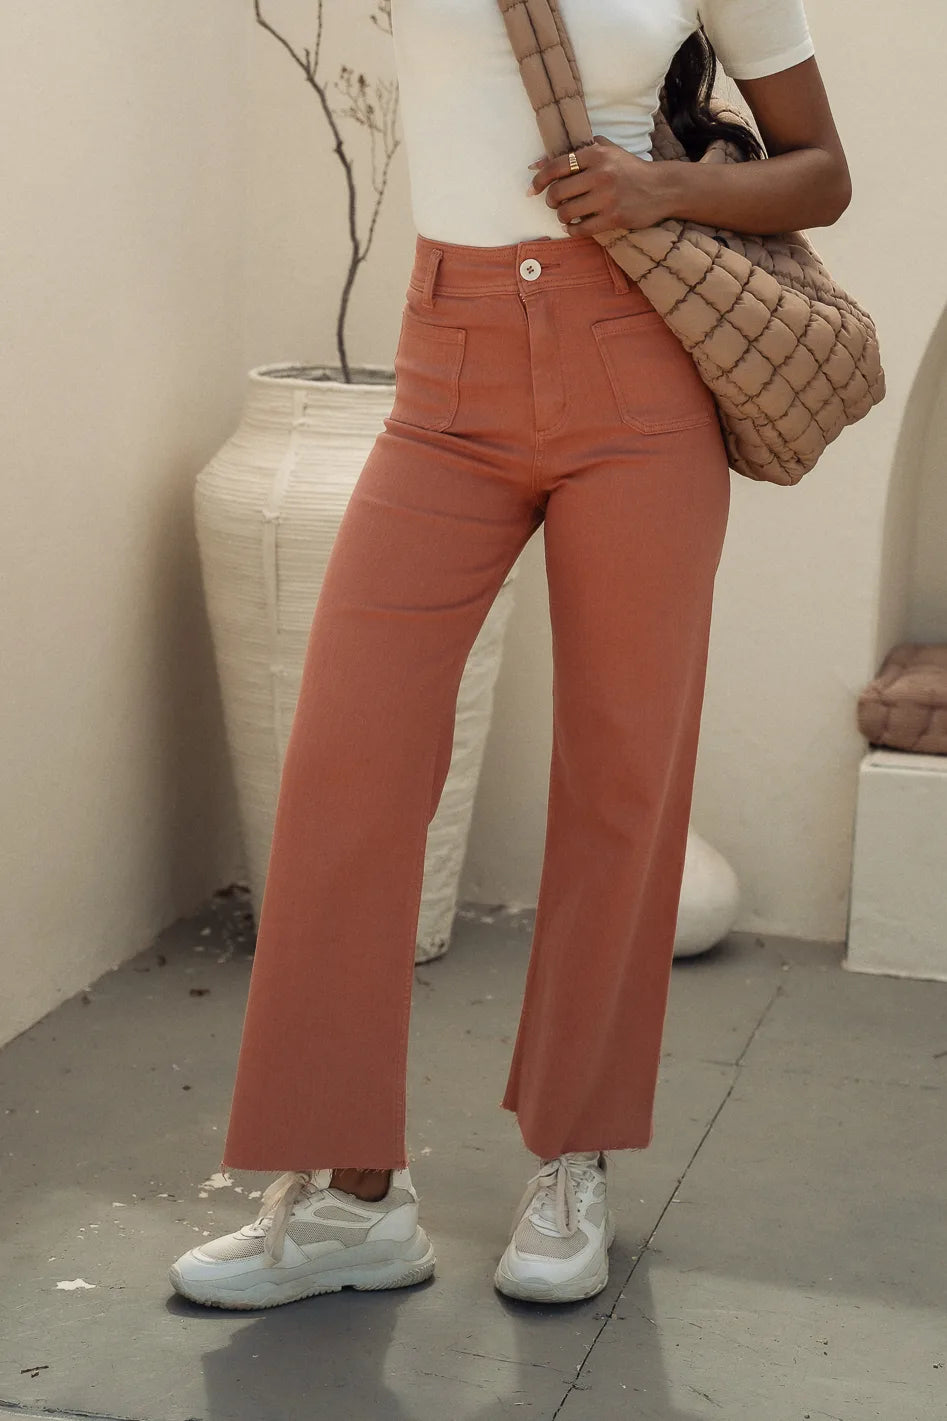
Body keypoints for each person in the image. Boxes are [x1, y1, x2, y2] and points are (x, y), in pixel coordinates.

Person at [169, 0, 851, 1310]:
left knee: (622, 774)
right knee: (346, 764)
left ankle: (573, 1161)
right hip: (448, 374)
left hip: (638, 370)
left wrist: (660, 186)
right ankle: (354, 1196)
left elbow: (822, 169)